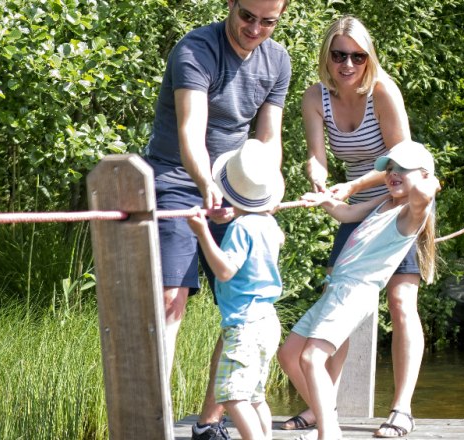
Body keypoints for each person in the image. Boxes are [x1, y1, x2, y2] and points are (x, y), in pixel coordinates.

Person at [143, 1, 291, 438]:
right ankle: (156, 422)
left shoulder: (277, 59)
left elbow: (268, 139)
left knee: (245, 305)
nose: (255, 29)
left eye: (268, 22)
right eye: (248, 17)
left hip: (238, 182)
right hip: (177, 176)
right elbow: (191, 130)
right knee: (172, 300)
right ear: (230, 5)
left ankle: (210, 423)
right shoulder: (195, 50)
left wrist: (262, 195)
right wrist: (206, 183)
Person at [275, 16, 423, 438]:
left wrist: (355, 184)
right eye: (339, 55)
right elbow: (317, 156)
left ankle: (401, 409)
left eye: (357, 56)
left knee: (400, 300)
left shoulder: (382, 91)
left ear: (367, 58)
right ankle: (326, 404)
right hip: (355, 203)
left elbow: (404, 160)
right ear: (327, 56)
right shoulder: (314, 97)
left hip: (398, 199)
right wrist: (318, 178)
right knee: (335, 300)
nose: (347, 64)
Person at [281, 140, 440, 440]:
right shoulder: (385, 201)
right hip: (336, 288)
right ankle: (325, 410)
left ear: (421, 175)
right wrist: (325, 201)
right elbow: (346, 215)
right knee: (289, 355)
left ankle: (329, 433)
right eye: (390, 169)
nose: (393, 174)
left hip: (355, 292)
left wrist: (429, 179)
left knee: (312, 358)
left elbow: (422, 193)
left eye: (402, 170)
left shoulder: (410, 214)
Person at [187, 139, 286, 440]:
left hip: (244, 324)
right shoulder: (268, 224)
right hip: (268, 321)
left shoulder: (240, 229)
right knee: (256, 397)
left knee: (231, 396)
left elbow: (225, 270)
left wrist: (203, 233)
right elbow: (264, 229)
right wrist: (240, 213)